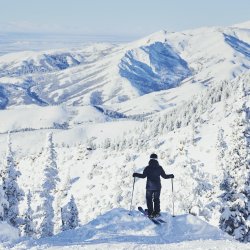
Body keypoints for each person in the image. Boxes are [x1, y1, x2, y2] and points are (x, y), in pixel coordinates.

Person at [133, 153, 174, 218]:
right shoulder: (159, 168)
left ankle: (150, 212)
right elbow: (164, 176)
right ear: (157, 159)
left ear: (150, 159)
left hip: (149, 187)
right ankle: (156, 212)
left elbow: (143, 176)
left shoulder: (147, 168)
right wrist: (171, 176)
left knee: (149, 199)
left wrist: (136, 174)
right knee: (156, 199)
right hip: (158, 187)